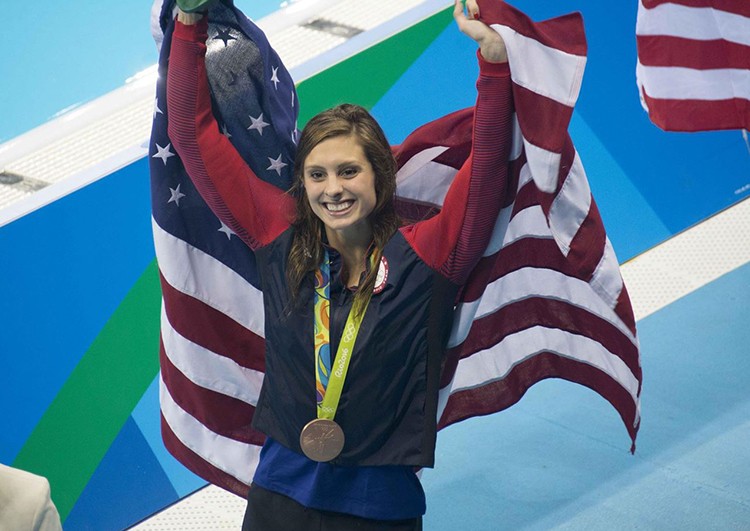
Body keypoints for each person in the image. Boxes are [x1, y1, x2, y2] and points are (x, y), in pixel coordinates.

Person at [166, 0, 512, 528]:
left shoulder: (427, 256)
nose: (333, 190)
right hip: (278, 497)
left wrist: (493, 66)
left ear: (379, 175)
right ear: (302, 185)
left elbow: (486, 170)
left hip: (379, 510)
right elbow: (193, 139)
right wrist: (188, 27)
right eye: (317, 175)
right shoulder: (278, 236)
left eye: (348, 171)